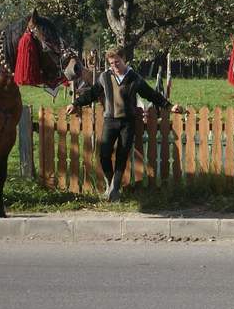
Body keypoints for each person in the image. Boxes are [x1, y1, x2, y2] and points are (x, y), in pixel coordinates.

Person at [66, 47, 185, 201]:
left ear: (124, 60)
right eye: (111, 63)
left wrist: (169, 106)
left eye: (117, 62)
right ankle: (110, 184)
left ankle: (115, 190)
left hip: (127, 123)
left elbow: (151, 94)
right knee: (104, 155)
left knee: (122, 156)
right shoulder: (105, 77)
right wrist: (76, 103)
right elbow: (92, 93)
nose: (114, 65)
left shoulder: (134, 78)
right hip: (110, 120)